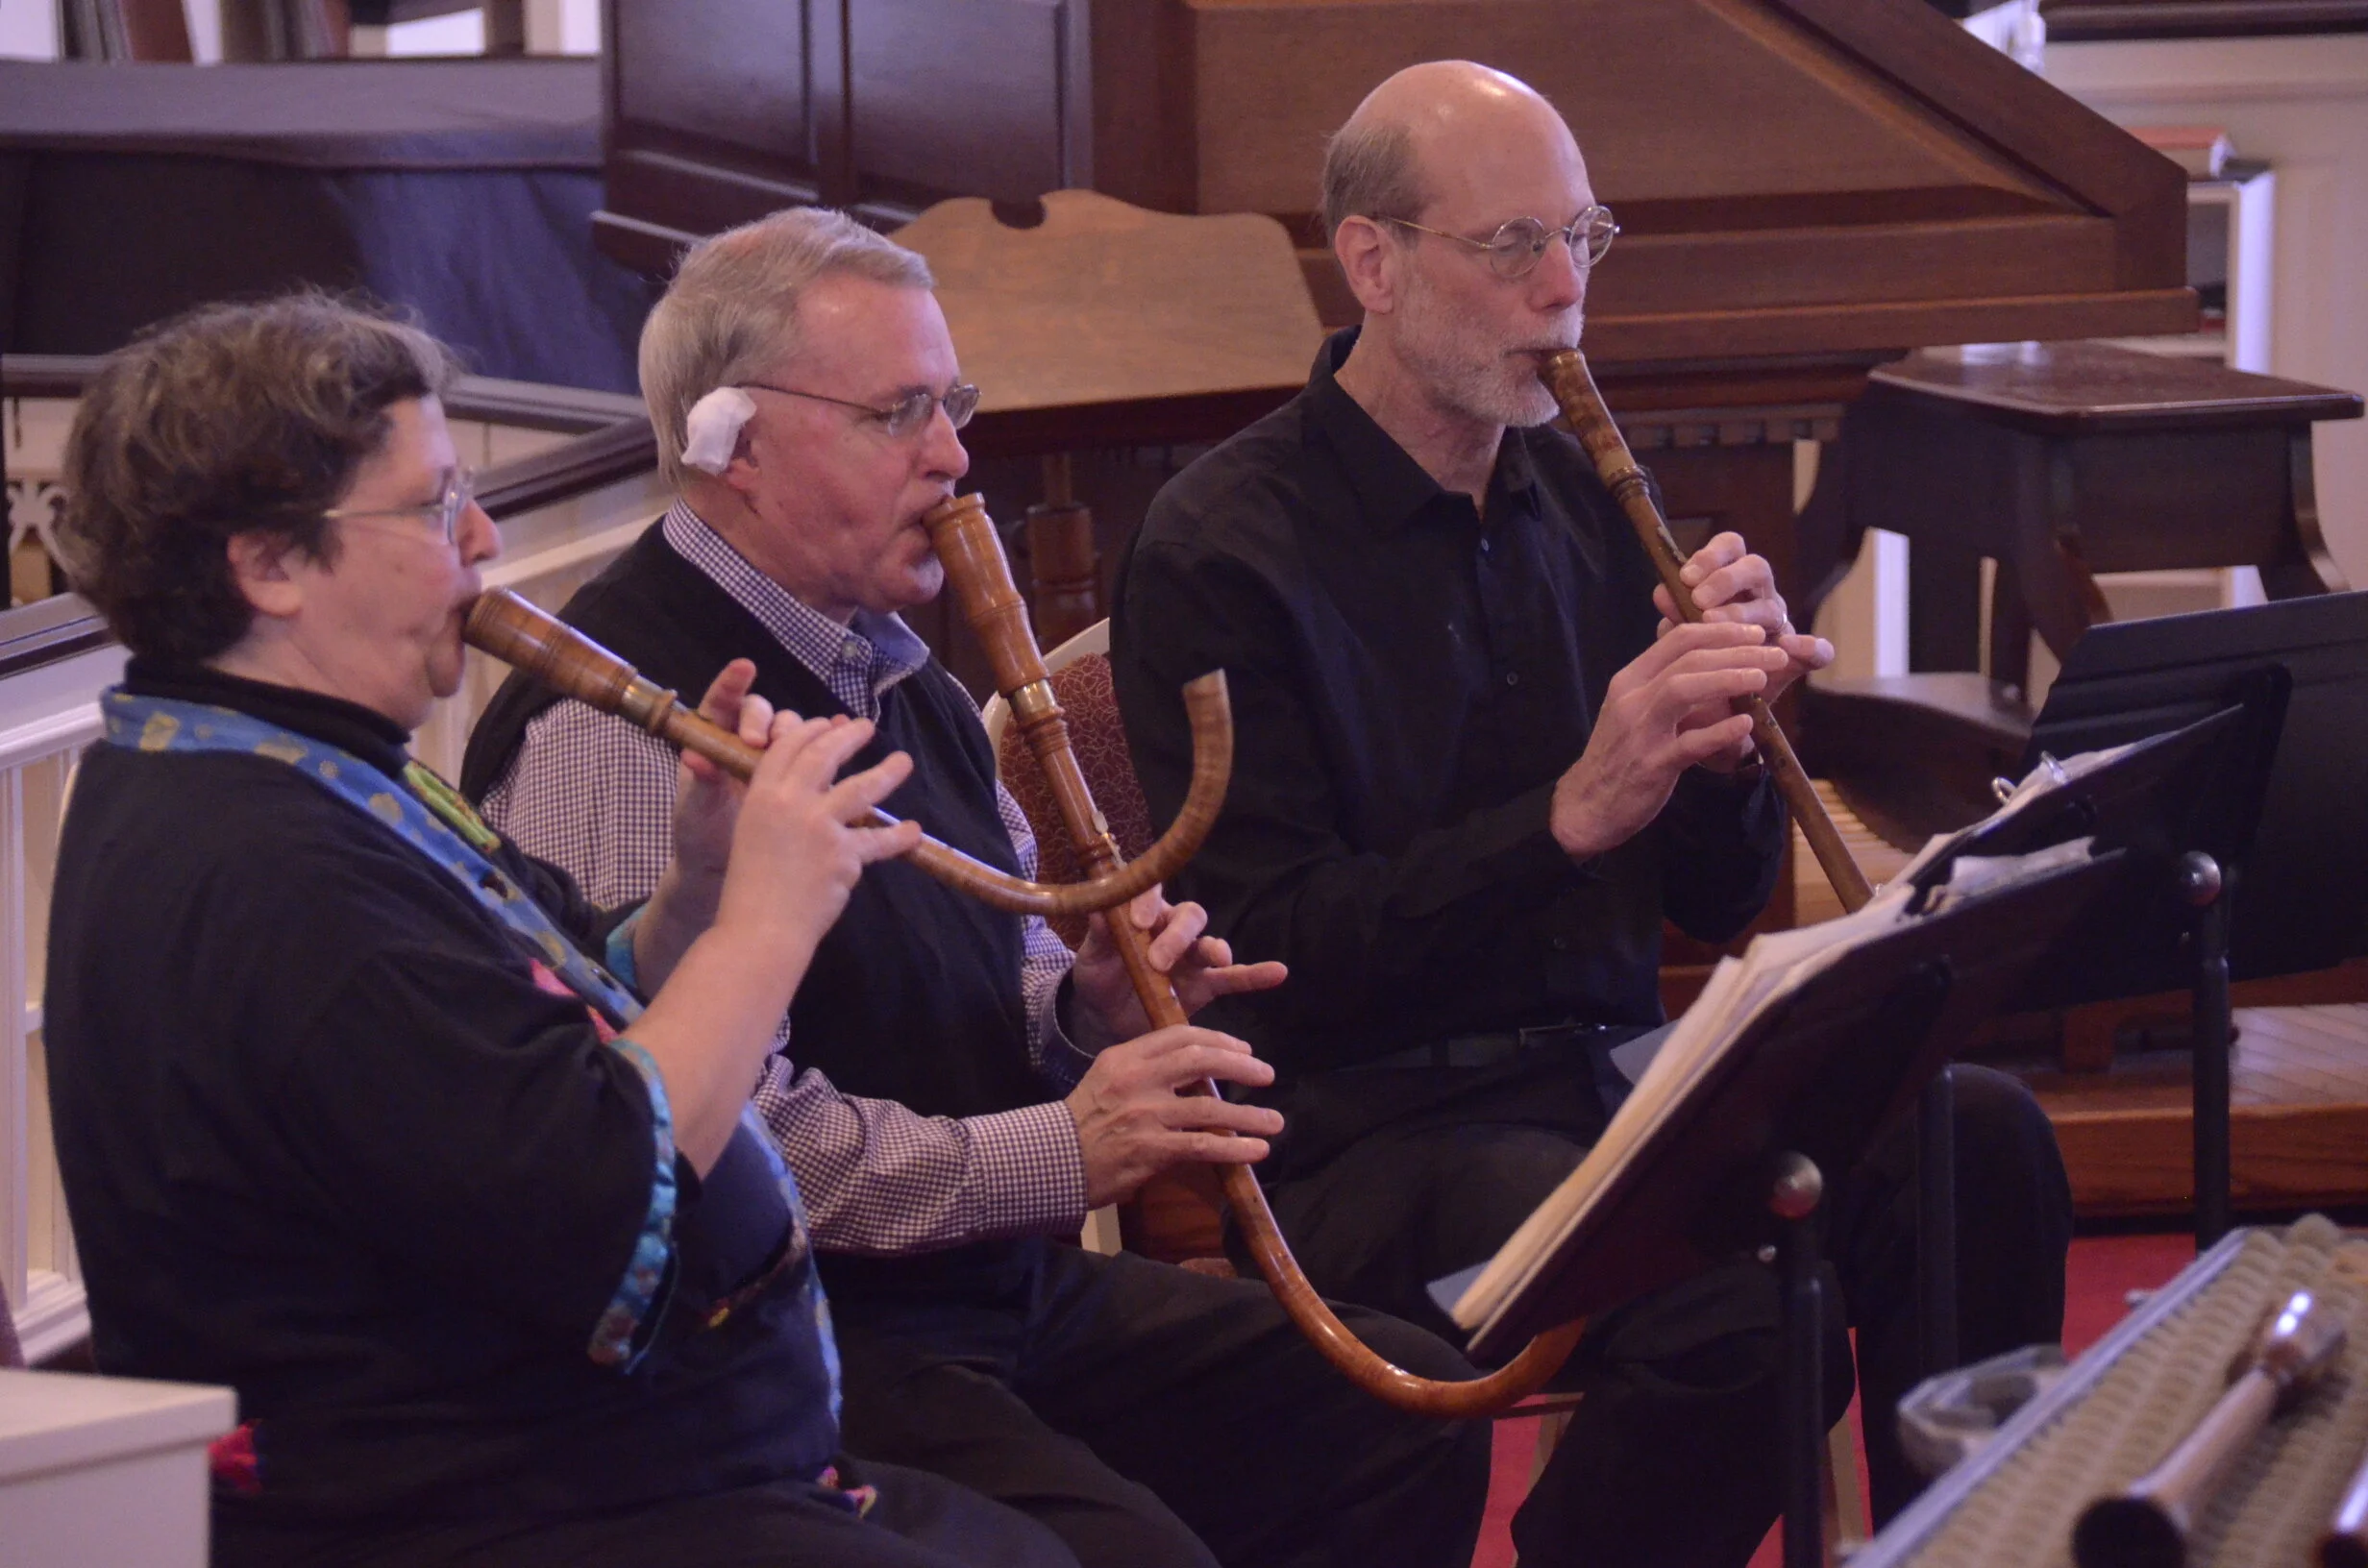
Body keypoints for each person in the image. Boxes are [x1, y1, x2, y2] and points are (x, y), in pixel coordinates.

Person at [1111, 61, 2076, 1567]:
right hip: (1368, 1125)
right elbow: (1265, 950)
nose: (1566, 291)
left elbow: (1710, 902)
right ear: (1372, 262)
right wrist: (1566, 815)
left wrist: (1729, 759)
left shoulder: (1580, 500)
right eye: (1513, 247)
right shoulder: (1221, 548)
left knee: (1978, 1143)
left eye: (1584, 238)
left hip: (1612, 1077)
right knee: (1735, 1305)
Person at [461, 208, 1490, 1568]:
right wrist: (1063, 1150)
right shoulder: (619, 719)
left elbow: (985, 975)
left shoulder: (899, 674)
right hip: (784, 1337)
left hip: (987, 1289)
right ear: (734, 447)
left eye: (953, 401)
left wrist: (1089, 1007)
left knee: (1396, 1415)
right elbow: (705, 1141)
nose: (954, 455)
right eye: (899, 412)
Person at [41, 295, 1087, 1568]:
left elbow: (543, 1015)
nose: (484, 535)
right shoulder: (264, 871)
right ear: (268, 563)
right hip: (482, 1514)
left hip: (625, 1467)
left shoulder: (286, 766)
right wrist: (767, 922)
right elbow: (603, 1185)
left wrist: (697, 895)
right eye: (433, 507)